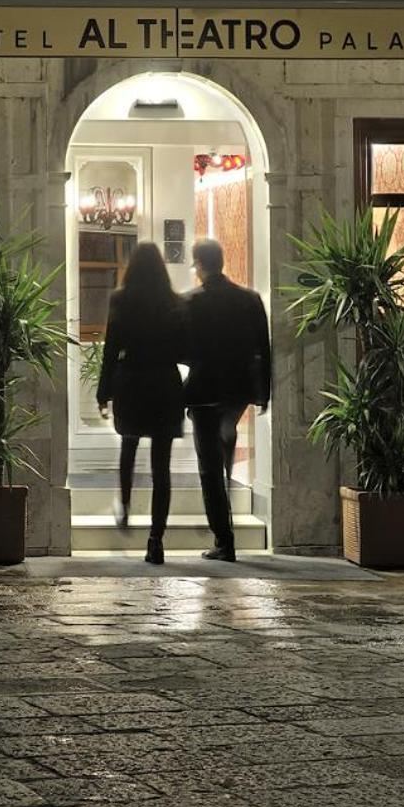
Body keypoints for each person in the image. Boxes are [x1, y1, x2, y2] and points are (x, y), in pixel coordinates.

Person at [95, 242, 187, 565]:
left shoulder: (121, 300)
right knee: (162, 467)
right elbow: (183, 349)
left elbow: (111, 349)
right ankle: (156, 539)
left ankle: (125, 504)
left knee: (128, 448)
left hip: (131, 380)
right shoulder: (174, 302)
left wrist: (102, 393)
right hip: (164, 383)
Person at [182, 238, 271, 562]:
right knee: (222, 453)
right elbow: (262, 348)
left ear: (200, 266)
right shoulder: (249, 299)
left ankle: (224, 539)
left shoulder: (189, 301)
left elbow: (182, 348)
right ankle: (228, 439)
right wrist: (263, 393)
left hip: (204, 390)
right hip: (237, 390)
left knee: (209, 468)